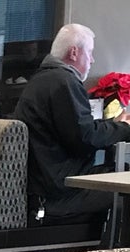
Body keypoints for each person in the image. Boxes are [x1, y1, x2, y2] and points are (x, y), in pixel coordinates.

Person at [13, 23, 130, 227]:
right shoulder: (63, 82)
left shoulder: (43, 80)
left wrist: (113, 124)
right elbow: (85, 138)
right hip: (61, 194)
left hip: (45, 187)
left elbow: (78, 129)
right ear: (74, 53)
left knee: (121, 172)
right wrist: (125, 128)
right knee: (123, 179)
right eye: (90, 53)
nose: (92, 60)